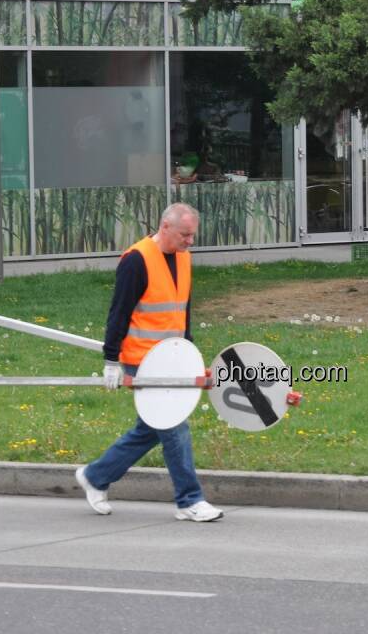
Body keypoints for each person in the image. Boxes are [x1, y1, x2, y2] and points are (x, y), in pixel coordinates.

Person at [74, 203, 223, 522]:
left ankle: (96, 476)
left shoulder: (184, 257)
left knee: (152, 428)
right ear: (164, 227)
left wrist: (190, 355)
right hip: (142, 360)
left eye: (193, 235)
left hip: (173, 358)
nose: (190, 241)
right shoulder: (136, 260)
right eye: (185, 234)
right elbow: (119, 312)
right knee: (173, 425)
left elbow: (182, 310)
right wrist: (111, 360)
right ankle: (189, 500)